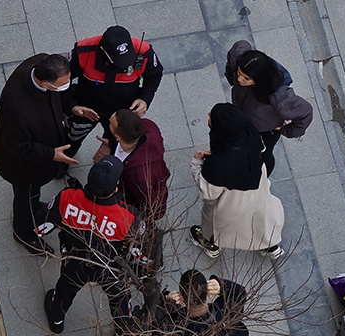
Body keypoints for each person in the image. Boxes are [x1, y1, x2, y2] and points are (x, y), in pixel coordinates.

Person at [0, 53, 83, 255]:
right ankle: (24, 232)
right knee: (26, 199)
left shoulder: (42, 63)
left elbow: (59, 96)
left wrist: (72, 108)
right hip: (23, 167)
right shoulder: (17, 107)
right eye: (62, 83)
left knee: (32, 198)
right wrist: (51, 154)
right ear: (43, 81)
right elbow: (17, 147)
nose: (66, 86)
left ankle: (33, 208)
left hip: (41, 156)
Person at [40, 155, 146, 334]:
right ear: (115, 188)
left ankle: (57, 321)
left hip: (75, 260)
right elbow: (139, 252)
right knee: (119, 298)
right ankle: (123, 329)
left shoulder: (67, 197)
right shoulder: (129, 218)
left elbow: (43, 226)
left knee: (65, 289)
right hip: (109, 266)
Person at [62, 25, 164, 173]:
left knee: (115, 141)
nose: (125, 64)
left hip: (121, 114)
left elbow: (154, 76)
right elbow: (61, 81)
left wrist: (145, 99)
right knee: (73, 136)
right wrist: (72, 106)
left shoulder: (143, 51)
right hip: (85, 109)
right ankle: (64, 159)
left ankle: (107, 167)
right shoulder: (83, 51)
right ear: (103, 51)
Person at [190, 103, 285, 259]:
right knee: (262, 221)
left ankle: (211, 245)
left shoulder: (220, 164)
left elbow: (208, 193)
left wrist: (196, 164)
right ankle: (271, 247)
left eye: (210, 116)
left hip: (231, 206)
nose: (208, 114)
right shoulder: (250, 135)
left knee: (214, 227)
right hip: (259, 191)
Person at [95, 108, 170, 273]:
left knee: (144, 234)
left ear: (118, 136)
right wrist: (112, 145)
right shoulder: (147, 127)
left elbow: (149, 206)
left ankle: (153, 260)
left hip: (134, 208)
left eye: (111, 123)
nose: (108, 122)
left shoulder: (138, 176)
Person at [225, 40, 313, 174]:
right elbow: (240, 46)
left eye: (246, 78)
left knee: (263, 157)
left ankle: (262, 178)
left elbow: (306, 112)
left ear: (259, 79)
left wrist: (286, 130)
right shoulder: (242, 63)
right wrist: (232, 76)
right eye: (238, 73)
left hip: (264, 132)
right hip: (240, 119)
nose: (239, 80)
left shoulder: (279, 95)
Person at [161, 269, 249, 335]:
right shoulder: (226, 312)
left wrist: (166, 301)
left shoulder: (175, 325)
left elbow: (153, 324)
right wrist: (221, 285)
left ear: (182, 295)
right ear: (207, 290)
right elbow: (240, 293)